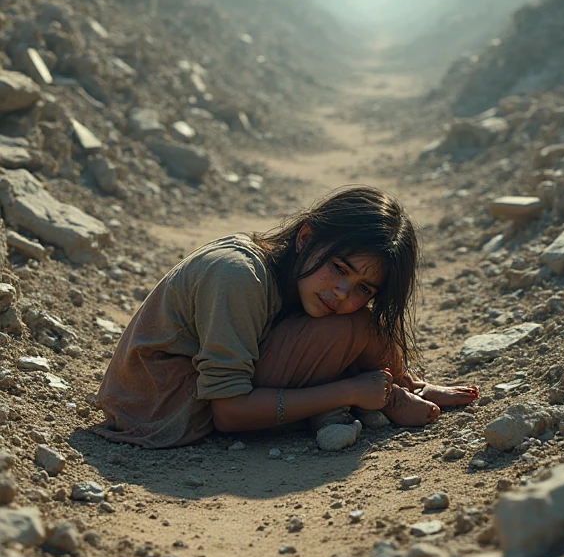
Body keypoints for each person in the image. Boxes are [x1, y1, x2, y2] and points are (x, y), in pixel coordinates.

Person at [95, 186, 478, 448]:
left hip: (188, 395)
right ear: (305, 238)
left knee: (361, 321)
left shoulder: (292, 278)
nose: (343, 292)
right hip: (163, 410)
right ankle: (376, 396)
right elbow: (228, 412)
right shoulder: (238, 276)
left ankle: (405, 384)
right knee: (354, 326)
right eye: (339, 268)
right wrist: (347, 390)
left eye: (364, 287)